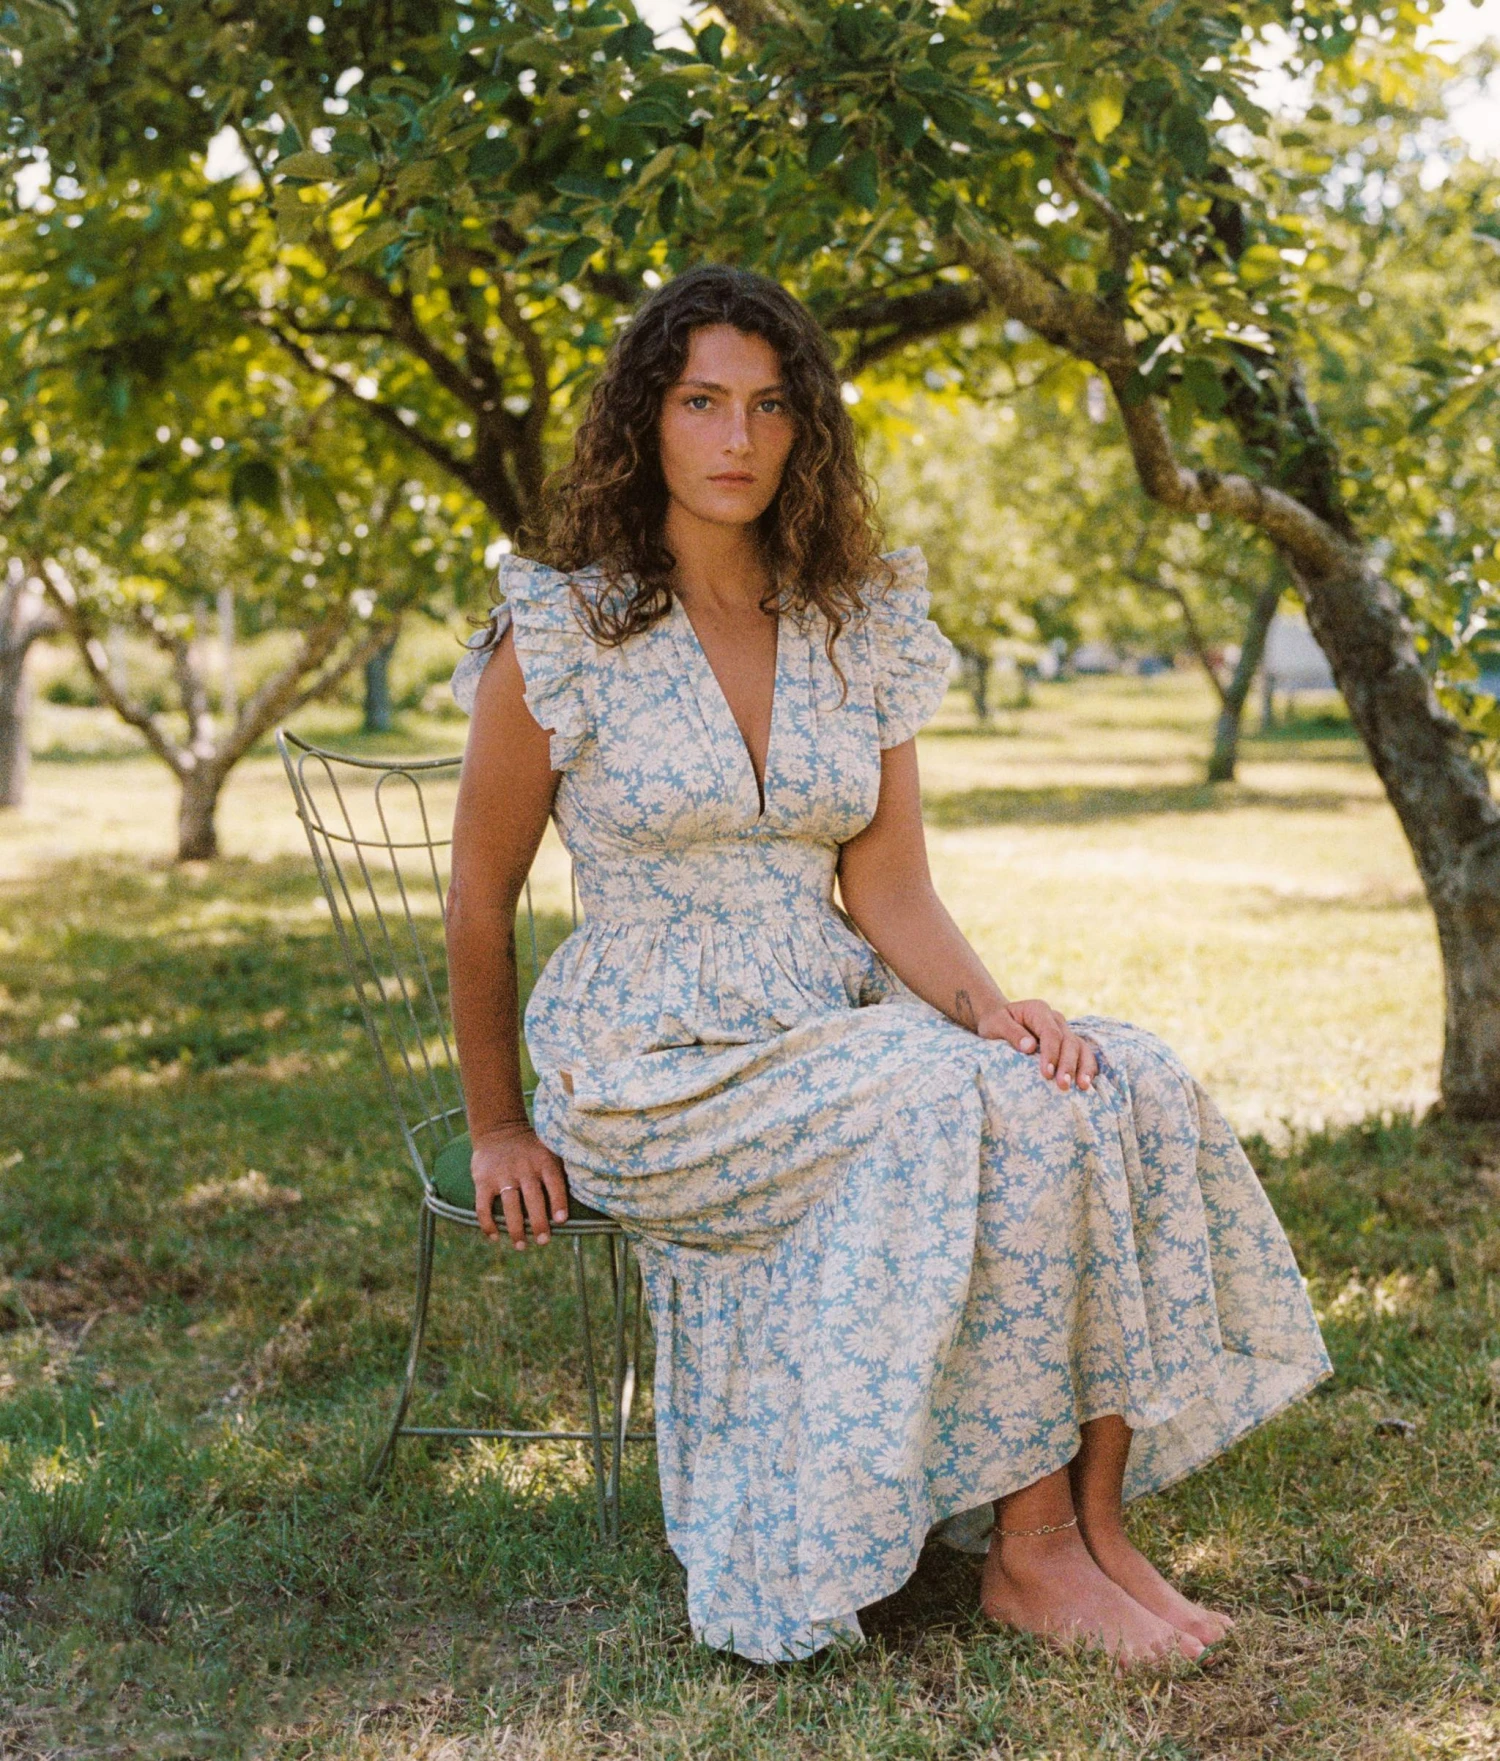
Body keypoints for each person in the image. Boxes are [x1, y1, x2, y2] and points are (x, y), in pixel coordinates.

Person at [445, 263, 1332, 1668]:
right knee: (963, 1099)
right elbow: (479, 901)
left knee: (1105, 1076)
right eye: (701, 403)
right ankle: (1029, 1554)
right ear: (647, 420)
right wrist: (499, 1124)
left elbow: (891, 887)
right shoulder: (563, 631)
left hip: (837, 1027)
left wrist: (995, 1013)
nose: (737, 438)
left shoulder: (851, 624)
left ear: (805, 429)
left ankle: (1096, 1529)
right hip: (653, 1068)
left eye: (770, 406)